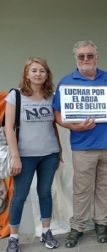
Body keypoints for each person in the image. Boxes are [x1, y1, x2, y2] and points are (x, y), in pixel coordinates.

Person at [52, 40, 107, 247]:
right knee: (82, 189)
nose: (86, 59)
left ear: (96, 57)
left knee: (104, 187)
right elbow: (56, 113)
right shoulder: (66, 82)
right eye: (81, 56)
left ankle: (101, 222)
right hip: (83, 145)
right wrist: (73, 127)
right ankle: (77, 226)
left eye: (89, 55)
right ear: (76, 59)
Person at [4, 57, 62, 251]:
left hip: (49, 154)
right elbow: (9, 128)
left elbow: (54, 126)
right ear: (27, 74)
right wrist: (15, 156)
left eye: (42, 71)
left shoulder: (51, 96)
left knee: (45, 193)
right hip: (25, 156)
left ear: (47, 75)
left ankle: (46, 231)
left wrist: (59, 150)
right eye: (34, 70)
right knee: (19, 195)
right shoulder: (16, 96)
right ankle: (13, 237)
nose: (38, 74)